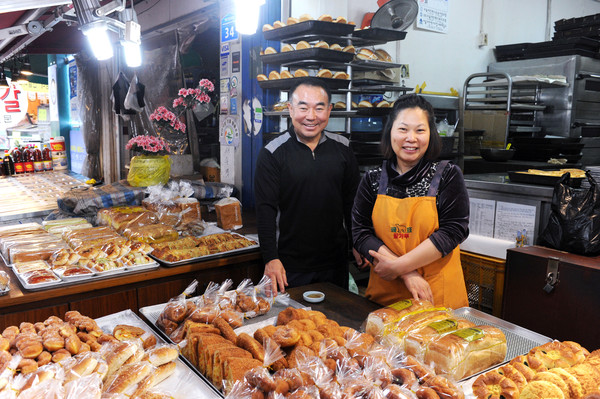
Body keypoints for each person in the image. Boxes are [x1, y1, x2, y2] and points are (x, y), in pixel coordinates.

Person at [352, 94, 469, 309]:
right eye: (403, 129)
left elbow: (454, 230)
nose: (411, 138)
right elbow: (361, 233)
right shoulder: (372, 180)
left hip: (436, 298)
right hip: (386, 300)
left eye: (420, 130)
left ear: (431, 135)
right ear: (390, 133)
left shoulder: (448, 175)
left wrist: (399, 266)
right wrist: (408, 273)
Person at [254, 77, 361, 294]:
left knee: (334, 324)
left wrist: (358, 242)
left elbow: (352, 203)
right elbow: (265, 210)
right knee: (292, 325)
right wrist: (271, 258)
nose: (311, 116)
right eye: (303, 108)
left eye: (319, 108)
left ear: (329, 110)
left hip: (335, 262)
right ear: (290, 109)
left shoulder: (343, 149)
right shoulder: (273, 153)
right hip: (289, 266)